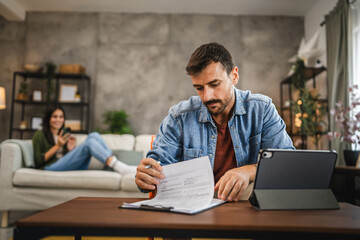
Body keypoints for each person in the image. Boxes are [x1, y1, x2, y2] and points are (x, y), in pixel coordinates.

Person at [135, 42, 294, 201]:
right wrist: (146, 177)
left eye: (214, 84)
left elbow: (287, 163)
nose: (207, 96)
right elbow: (157, 167)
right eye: (199, 88)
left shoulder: (262, 109)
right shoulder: (179, 117)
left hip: (246, 204)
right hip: (194, 207)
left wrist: (248, 171)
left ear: (234, 76)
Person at [32, 105, 136, 175]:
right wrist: (58, 146)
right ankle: (118, 166)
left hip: (64, 165)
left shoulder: (62, 134)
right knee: (89, 143)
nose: (58, 120)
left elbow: (66, 160)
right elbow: (38, 161)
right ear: (48, 119)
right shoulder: (39, 135)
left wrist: (70, 149)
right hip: (49, 168)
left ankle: (113, 165)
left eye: (61, 117)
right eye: (55, 117)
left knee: (94, 135)